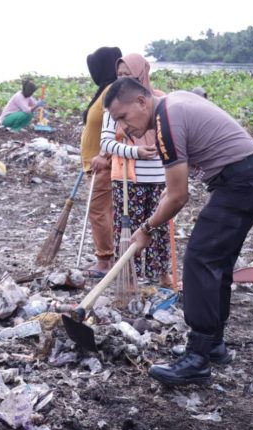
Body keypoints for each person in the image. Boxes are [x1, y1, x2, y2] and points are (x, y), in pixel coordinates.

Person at [104, 77, 253, 386]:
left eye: (123, 117)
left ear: (142, 102)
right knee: (217, 263)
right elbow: (173, 190)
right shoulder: (174, 103)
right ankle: (213, 345)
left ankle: (196, 359)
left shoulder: (166, 121)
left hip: (242, 181)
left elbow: (177, 195)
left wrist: (146, 228)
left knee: (199, 260)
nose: (123, 127)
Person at [99, 53, 170, 286]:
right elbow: (106, 143)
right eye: (119, 75)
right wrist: (135, 152)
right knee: (129, 229)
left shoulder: (159, 100)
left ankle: (161, 275)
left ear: (141, 74)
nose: (122, 80)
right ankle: (128, 277)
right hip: (129, 178)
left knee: (159, 227)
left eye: (127, 75)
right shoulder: (114, 103)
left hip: (160, 176)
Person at [80, 46, 122, 278]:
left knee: (98, 211)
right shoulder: (104, 89)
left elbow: (121, 126)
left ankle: (105, 260)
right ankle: (107, 256)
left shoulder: (112, 91)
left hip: (103, 165)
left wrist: (105, 156)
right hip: (94, 164)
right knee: (103, 211)